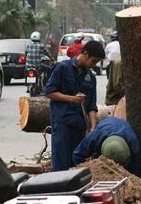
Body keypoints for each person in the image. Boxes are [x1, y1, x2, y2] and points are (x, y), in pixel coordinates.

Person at [45, 40, 106, 171]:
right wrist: (72, 99)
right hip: (62, 124)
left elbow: (91, 106)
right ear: (85, 54)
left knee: (77, 165)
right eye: (94, 61)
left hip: (79, 126)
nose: (94, 65)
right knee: (61, 165)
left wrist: (93, 128)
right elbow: (49, 92)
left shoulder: (90, 77)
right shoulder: (62, 68)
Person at [72, 117, 139, 174]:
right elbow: (77, 155)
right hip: (104, 130)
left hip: (119, 127)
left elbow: (134, 169)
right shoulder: (95, 136)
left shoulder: (133, 143)